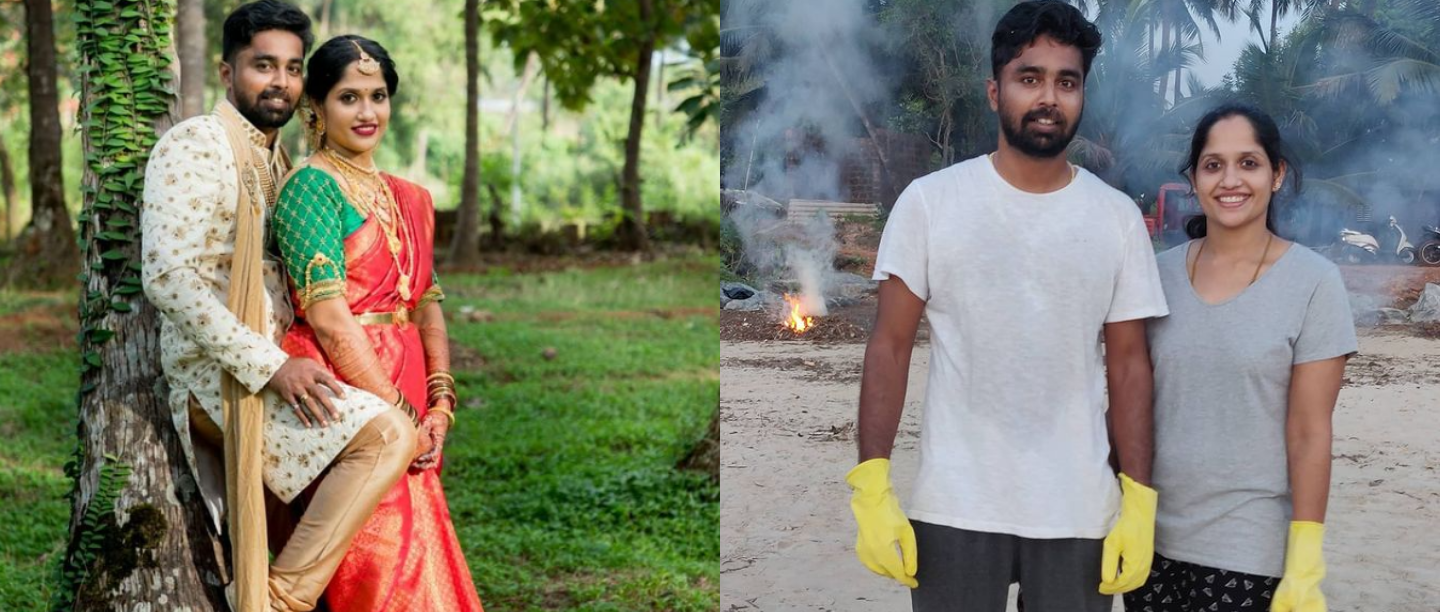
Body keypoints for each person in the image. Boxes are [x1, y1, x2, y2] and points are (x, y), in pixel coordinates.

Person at [844, 1, 1169, 610]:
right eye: (1030, 78)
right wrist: (872, 484)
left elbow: (1129, 366)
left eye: (1066, 81)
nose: (1049, 97)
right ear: (995, 92)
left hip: (1078, 509)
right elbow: (889, 345)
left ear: (1081, 96)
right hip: (956, 503)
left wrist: (1139, 499)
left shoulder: (1117, 219)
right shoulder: (931, 204)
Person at [140, 2, 418, 611]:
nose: (281, 82)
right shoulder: (198, 144)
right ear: (225, 71)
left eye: (293, 68)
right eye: (263, 65)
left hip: (276, 366)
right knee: (386, 434)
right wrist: (271, 365)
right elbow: (167, 279)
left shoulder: (276, 159)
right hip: (216, 376)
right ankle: (276, 600)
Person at [271, 34, 484, 611]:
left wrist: (439, 403)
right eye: (349, 98)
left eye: (378, 96)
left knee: (421, 544)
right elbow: (330, 319)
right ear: (315, 106)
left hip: (408, 379)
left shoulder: (409, 196)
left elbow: (426, 303)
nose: (368, 113)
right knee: (376, 556)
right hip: (345, 392)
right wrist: (398, 412)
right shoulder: (310, 189)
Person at [1124, 103, 1356, 612]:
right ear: (1194, 179)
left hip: (1247, 551)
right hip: (1149, 545)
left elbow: (1310, 431)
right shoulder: (1154, 276)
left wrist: (1305, 559)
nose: (1230, 180)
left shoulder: (1314, 283)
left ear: (1277, 175)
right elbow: (1127, 400)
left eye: (1248, 163)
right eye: (1213, 164)